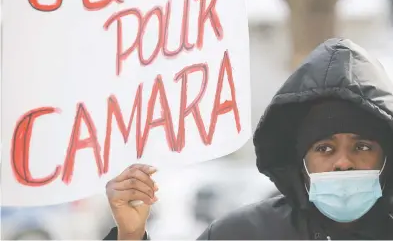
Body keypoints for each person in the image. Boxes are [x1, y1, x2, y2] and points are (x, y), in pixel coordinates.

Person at [104, 38, 393, 240]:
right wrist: (130, 235)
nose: (343, 162)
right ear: (300, 161)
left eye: (362, 146)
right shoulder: (240, 235)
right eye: (324, 148)